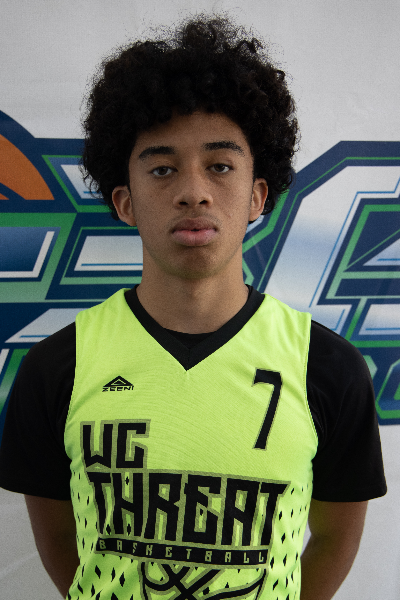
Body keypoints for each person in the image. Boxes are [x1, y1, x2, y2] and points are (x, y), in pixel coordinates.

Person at [0, 13, 386, 600]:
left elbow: (334, 536)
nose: (193, 191)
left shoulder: (328, 368)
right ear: (125, 203)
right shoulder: (58, 367)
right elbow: (61, 542)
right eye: (162, 168)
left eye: (220, 166)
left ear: (257, 195)